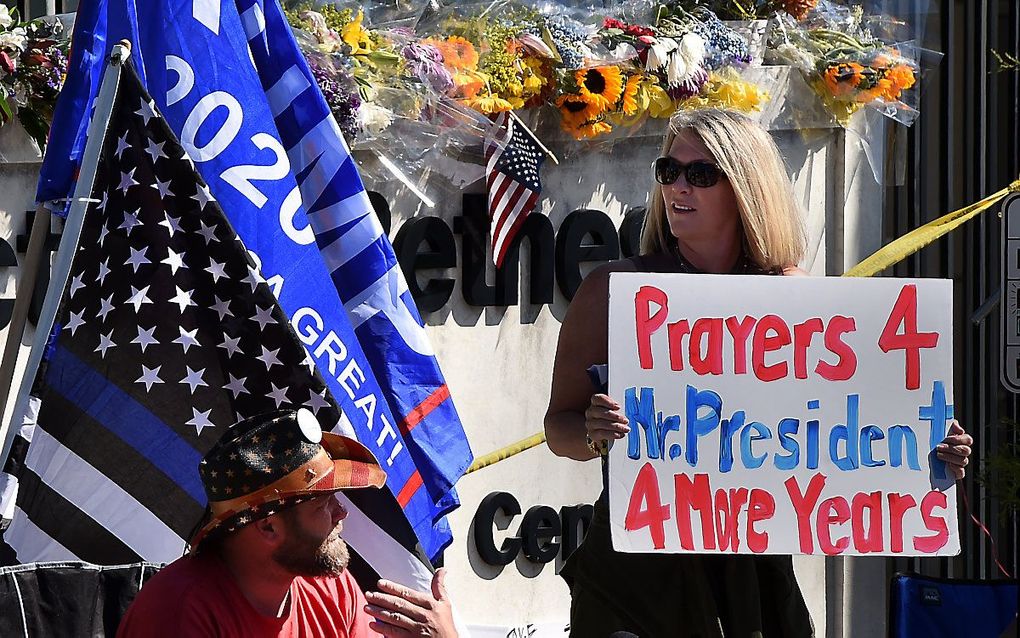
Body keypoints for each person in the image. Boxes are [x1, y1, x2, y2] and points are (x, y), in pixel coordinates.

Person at [544, 108, 973, 637]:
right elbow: (558, 429)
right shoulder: (613, 290)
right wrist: (594, 432)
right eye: (668, 171)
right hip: (637, 572)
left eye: (701, 174)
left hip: (755, 571)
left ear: (746, 187)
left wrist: (929, 451)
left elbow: (860, 433)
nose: (679, 187)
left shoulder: (796, 297)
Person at [117, 408, 458, 638]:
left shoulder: (330, 588)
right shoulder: (181, 610)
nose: (342, 514)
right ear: (267, 527)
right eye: (324, 502)